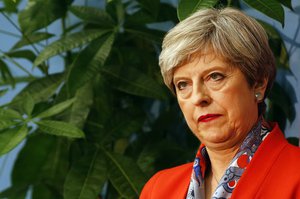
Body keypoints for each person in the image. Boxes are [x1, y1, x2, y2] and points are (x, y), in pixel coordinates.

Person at [140, 7, 300, 199]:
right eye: (183, 84)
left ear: (258, 83)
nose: (198, 97)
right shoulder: (158, 189)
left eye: (215, 76)